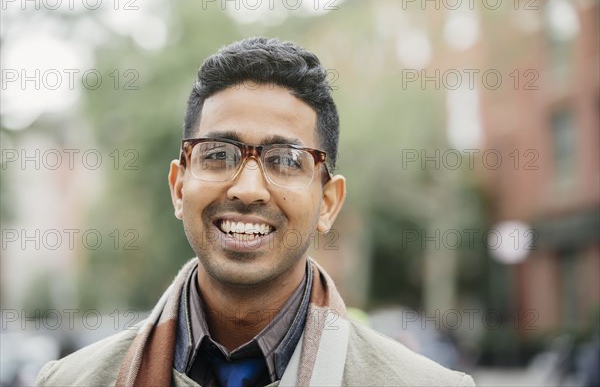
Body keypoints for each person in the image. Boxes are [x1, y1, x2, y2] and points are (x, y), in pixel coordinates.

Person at [35, 37, 475, 387]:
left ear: (327, 203)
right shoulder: (72, 381)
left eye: (285, 159)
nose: (247, 190)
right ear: (178, 186)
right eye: (218, 155)